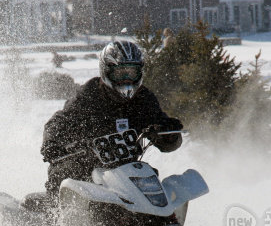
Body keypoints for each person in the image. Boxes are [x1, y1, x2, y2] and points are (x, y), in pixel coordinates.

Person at [40, 40, 182, 198]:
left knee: (152, 180)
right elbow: (58, 122)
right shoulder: (88, 95)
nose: (127, 79)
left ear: (140, 73)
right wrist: (51, 144)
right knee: (65, 173)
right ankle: (54, 219)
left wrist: (169, 134)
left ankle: (166, 220)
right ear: (106, 71)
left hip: (127, 174)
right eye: (121, 73)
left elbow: (165, 138)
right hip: (85, 168)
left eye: (132, 73)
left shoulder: (144, 99)